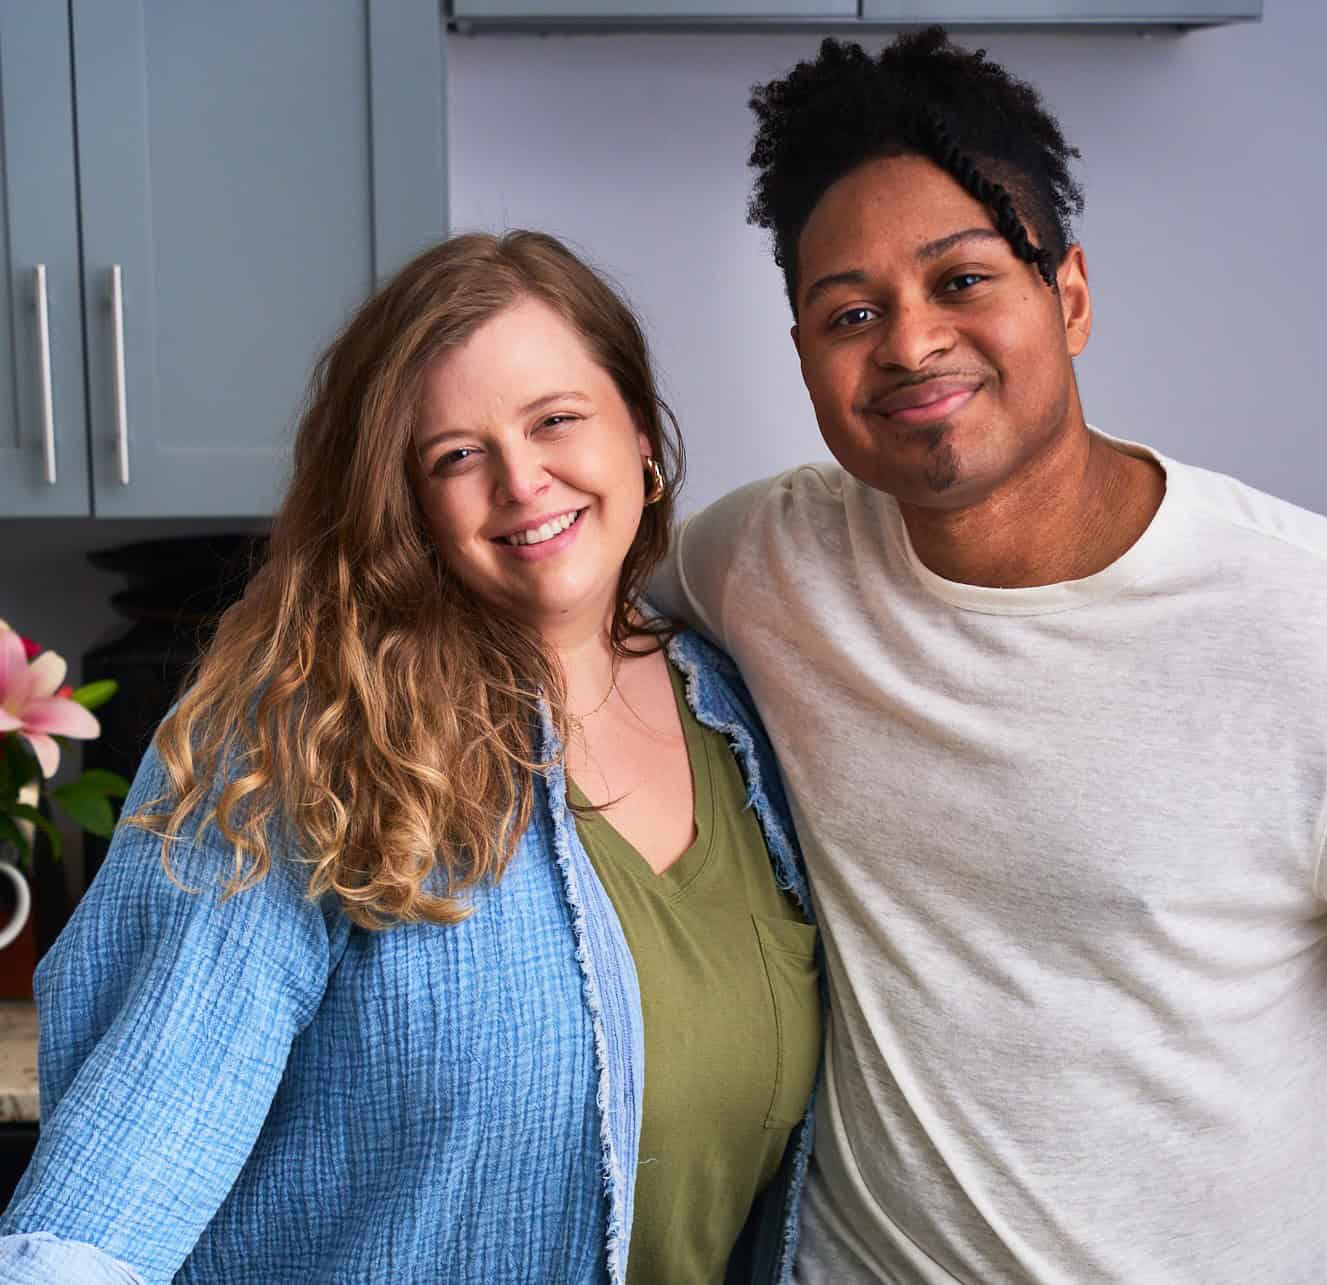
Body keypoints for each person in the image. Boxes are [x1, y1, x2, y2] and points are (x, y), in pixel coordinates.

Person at [651, 28, 1327, 1284]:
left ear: (1071, 297)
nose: (911, 344)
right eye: (851, 312)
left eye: (964, 280)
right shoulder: (765, 561)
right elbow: (547, 617)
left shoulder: (1322, 626)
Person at [0, 231, 821, 1284]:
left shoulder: (745, 719)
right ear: (407, 503)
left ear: (641, 438)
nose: (523, 482)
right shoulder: (308, 737)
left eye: (557, 419)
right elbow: (122, 1177)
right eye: (457, 456)